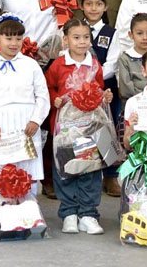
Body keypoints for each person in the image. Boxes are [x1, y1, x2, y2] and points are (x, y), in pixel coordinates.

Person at [45, 19, 112, 235]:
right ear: (65, 40)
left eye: (86, 37)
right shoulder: (58, 65)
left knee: (89, 168)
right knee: (66, 169)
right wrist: (55, 98)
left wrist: (105, 96)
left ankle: (89, 214)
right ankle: (69, 214)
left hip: (90, 127)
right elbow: (48, 88)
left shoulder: (94, 64)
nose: (82, 42)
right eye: (76, 37)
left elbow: (99, 88)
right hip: (65, 129)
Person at [0, 14, 50, 191]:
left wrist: (35, 120)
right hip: (1, 125)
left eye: (18, 38)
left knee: (28, 170)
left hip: (27, 123)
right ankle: (3, 211)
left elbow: (42, 96)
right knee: (3, 171)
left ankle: (30, 213)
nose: (14, 43)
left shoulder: (31, 65)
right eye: (8, 38)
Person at [79, 0, 122, 197]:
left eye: (98, 4)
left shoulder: (112, 33)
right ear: (82, 6)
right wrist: (83, 81)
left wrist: (93, 78)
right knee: (83, 130)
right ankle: (86, 172)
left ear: (105, 7)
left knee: (108, 129)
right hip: (80, 90)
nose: (93, 8)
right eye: (89, 3)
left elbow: (113, 62)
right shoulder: (76, 29)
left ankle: (111, 175)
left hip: (105, 89)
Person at [117, 13, 147, 104]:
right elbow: (125, 90)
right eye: (139, 33)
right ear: (131, 35)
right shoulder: (125, 59)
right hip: (134, 106)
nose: (145, 38)